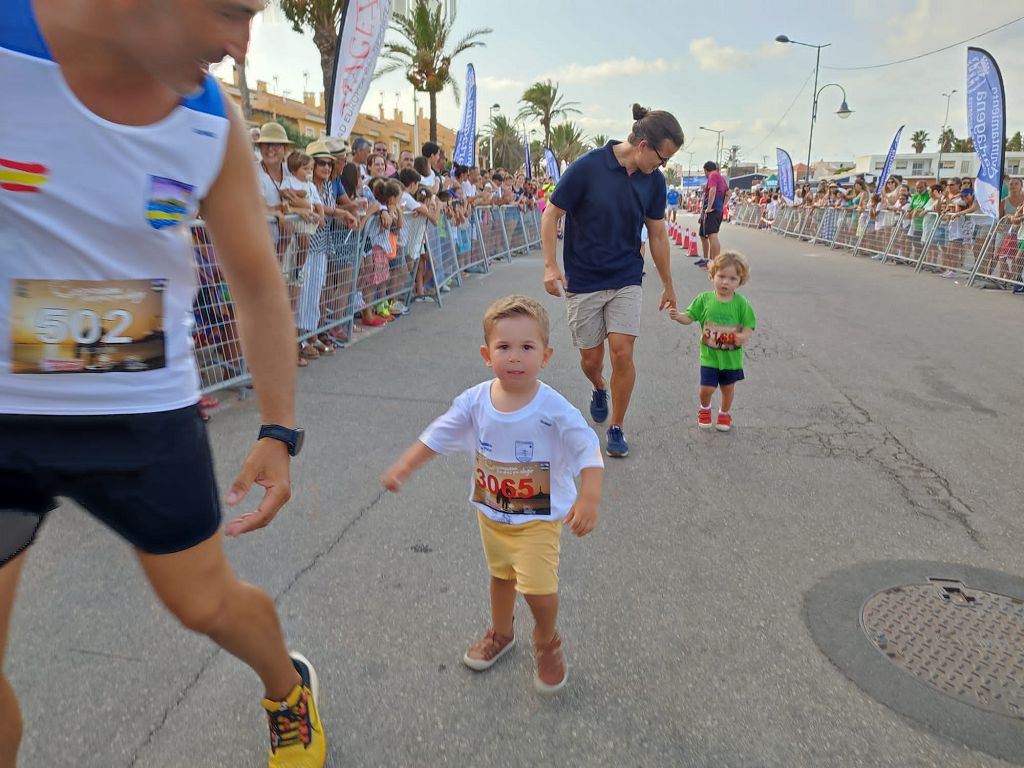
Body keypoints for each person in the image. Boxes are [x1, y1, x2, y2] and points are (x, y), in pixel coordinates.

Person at [0, 2, 325, 767]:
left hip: (139, 417)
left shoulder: (214, 122)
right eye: (231, 12)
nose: (241, 49)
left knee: (204, 605)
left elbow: (254, 280)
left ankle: (287, 688)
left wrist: (279, 430)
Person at [381, 295, 604, 694]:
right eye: (504, 347)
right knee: (500, 578)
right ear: (487, 354)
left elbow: (587, 447)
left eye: (527, 347)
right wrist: (405, 465)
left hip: (536, 520)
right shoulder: (475, 400)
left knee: (538, 588)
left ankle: (547, 639)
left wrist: (589, 497)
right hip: (492, 515)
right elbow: (439, 433)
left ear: (546, 355)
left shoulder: (553, 408)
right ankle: (501, 633)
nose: (515, 357)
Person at [541, 104, 682, 458]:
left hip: (626, 277)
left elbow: (658, 235)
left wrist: (668, 284)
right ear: (644, 145)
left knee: (622, 352)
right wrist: (549, 265)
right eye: (662, 158)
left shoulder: (654, 182)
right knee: (591, 359)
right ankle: (598, 385)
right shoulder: (587, 167)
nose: (661, 167)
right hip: (584, 278)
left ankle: (617, 426)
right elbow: (551, 213)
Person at [668, 252, 756, 432]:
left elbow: (749, 325)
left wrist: (743, 336)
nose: (725, 282)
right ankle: (705, 409)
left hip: (731, 359)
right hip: (709, 356)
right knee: (706, 388)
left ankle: (724, 413)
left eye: (732, 278)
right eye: (721, 276)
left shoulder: (741, 304)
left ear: (740, 281)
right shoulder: (704, 299)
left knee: (727, 388)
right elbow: (690, 317)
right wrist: (678, 317)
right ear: (712, 275)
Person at [695, 161, 729, 268]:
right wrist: (722, 206)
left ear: (706, 169)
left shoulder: (713, 175)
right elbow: (728, 193)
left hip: (712, 210)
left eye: (704, 171)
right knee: (703, 234)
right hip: (715, 210)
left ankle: (715, 262)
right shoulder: (721, 178)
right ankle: (707, 259)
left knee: (712, 235)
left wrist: (710, 207)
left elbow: (713, 190)